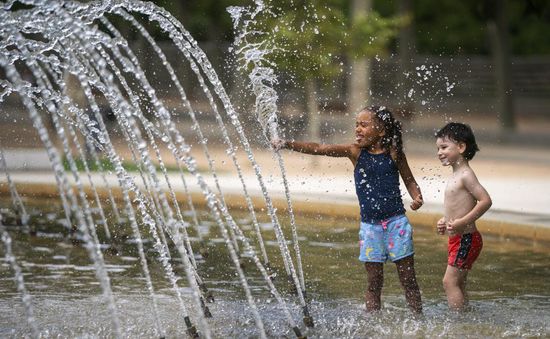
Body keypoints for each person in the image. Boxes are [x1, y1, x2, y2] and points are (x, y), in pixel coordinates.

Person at [273, 106, 424, 314]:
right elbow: (319, 148)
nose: (358, 129)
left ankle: (418, 319)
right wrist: (287, 143)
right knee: (374, 282)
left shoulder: (394, 153)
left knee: (408, 280)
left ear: (381, 131)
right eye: (356, 125)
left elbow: (409, 180)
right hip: (370, 228)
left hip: (396, 223)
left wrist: (417, 197)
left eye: (364, 125)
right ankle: (373, 322)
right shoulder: (355, 152)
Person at [435, 122, 492, 311]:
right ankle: (466, 316)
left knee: (449, 282)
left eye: (444, 147)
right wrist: (446, 220)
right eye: (438, 148)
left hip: (466, 239)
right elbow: (458, 206)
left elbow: (485, 201)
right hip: (459, 239)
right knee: (458, 283)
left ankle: (458, 322)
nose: (439, 152)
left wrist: (462, 222)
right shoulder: (455, 174)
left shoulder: (466, 175)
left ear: (461, 147)